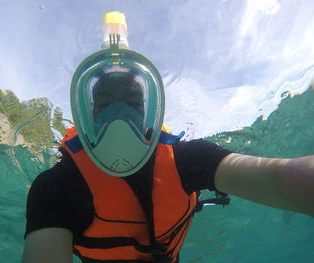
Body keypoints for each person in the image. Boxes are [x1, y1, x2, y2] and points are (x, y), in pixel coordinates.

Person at [22, 11, 314, 263]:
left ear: (151, 110)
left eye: (132, 101)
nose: (118, 115)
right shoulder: (57, 186)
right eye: (104, 103)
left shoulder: (189, 160)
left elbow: (280, 178)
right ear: (86, 113)